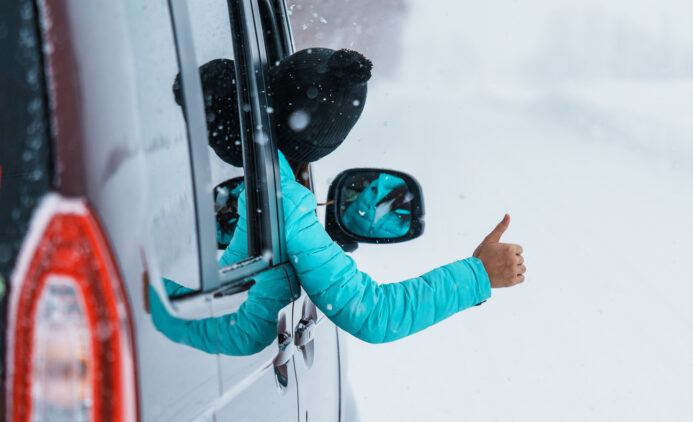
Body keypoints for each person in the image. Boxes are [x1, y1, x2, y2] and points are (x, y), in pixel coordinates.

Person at [152, 48, 525, 354]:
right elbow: (375, 314)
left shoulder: (270, 193)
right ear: (319, 146)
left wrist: (146, 299)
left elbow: (228, 300)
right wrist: (477, 274)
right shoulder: (284, 201)